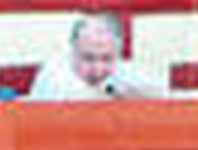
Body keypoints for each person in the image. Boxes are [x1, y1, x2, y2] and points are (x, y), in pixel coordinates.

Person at [27, 12, 168, 102]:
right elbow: (77, 100)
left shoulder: (124, 71)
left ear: (118, 53)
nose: (97, 70)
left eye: (107, 59)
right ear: (72, 51)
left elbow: (162, 96)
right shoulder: (53, 76)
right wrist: (116, 96)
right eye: (88, 58)